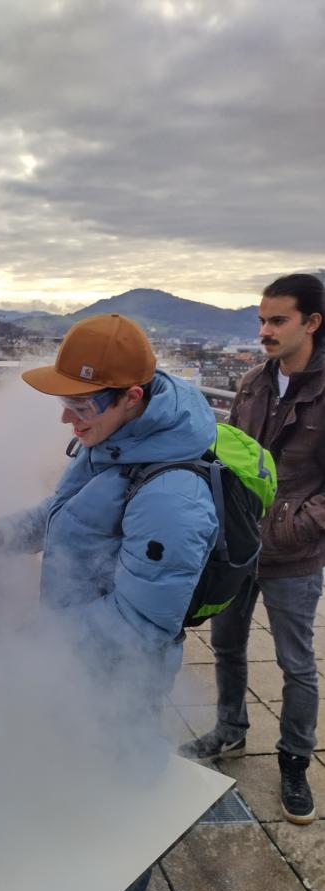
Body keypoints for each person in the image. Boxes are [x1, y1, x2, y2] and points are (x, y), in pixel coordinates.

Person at [0, 313, 219, 891]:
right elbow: (60, 516)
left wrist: (37, 642)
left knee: (120, 784)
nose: (65, 420)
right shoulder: (110, 446)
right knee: (74, 771)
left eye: (79, 405)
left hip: (120, 674)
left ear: (131, 396)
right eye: (64, 404)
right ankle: (72, 883)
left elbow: (139, 627)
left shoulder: (172, 493)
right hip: (74, 662)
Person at [180, 274, 324, 825]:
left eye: (277, 320)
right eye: (261, 320)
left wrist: (293, 526)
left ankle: (294, 760)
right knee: (228, 646)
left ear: (311, 322)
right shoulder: (251, 384)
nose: (265, 330)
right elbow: (230, 461)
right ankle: (229, 730)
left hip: (294, 555)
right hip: (238, 549)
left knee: (295, 663)